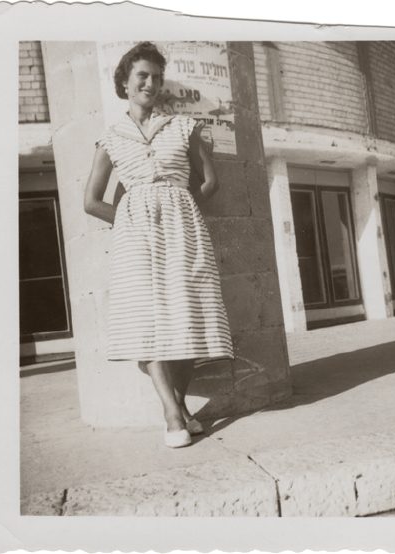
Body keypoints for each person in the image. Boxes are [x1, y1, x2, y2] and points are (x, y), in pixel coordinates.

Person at [84, 42, 233, 448]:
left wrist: (179, 208)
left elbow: (210, 181)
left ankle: (180, 406)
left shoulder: (183, 128)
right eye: (142, 77)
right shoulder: (110, 138)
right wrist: (130, 220)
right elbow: (91, 200)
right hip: (135, 239)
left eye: (156, 77)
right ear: (125, 84)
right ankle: (171, 413)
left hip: (183, 233)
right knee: (144, 323)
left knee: (187, 319)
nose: (150, 83)